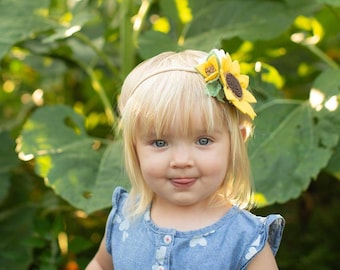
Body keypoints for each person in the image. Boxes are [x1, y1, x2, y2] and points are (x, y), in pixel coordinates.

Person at [86, 49, 285, 270]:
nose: (181, 161)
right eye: (160, 143)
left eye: (203, 141)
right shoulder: (126, 215)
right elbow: (101, 265)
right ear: (134, 148)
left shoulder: (243, 239)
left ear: (236, 142)